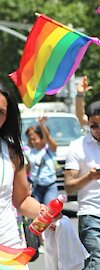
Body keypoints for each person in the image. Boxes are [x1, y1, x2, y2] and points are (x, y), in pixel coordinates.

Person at [64, 101, 100, 270]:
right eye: (94, 126)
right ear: (87, 122)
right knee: (97, 265)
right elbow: (69, 187)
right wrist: (89, 177)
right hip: (90, 214)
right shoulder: (76, 146)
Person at [0, 84, 45, 250]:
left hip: (8, 247)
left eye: (0, 112)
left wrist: (45, 212)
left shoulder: (12, 153)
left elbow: (22, 200)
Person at [24, 116, 58, 205]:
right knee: (36, 213)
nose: (32, 142)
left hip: (50, 186)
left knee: (50, 211)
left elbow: (48, 137)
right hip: (36, 187)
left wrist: (42, 124)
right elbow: (26, 170)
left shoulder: (50, 149)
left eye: (35, 139)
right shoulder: (28, 152)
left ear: (42, 139)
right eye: (30, 139)